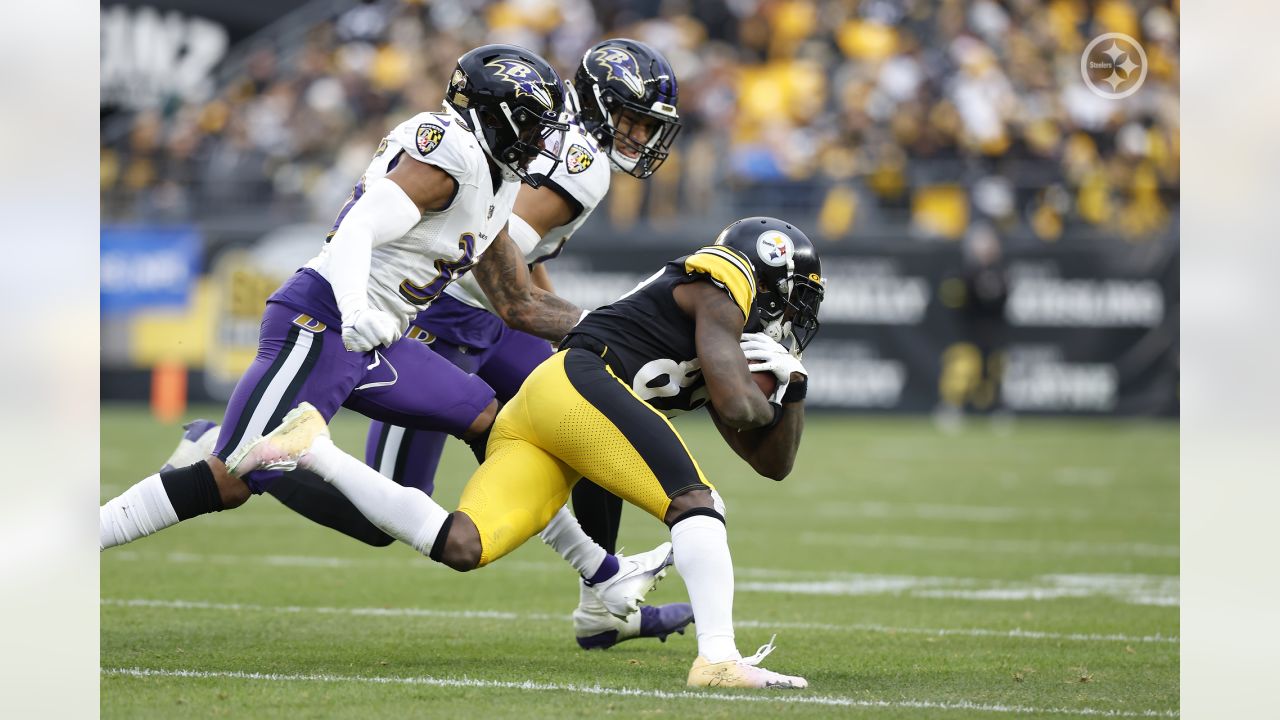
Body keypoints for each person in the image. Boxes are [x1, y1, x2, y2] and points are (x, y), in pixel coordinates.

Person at [154, 39, 693, 650]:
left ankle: (602, 588)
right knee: (387, 511)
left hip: (485, 321)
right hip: (452, 318)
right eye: (635, 121)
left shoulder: (568, 146)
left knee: (590, 407)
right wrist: (589, 322)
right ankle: (217, 447)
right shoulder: (582, 163)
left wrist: (557, 315)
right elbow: (494, 250)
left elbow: (521, 259)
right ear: (601, 106)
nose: (643, 137)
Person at [229, 216, 826, 689]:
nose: (792, 320)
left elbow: (772, 462)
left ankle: (314, 451)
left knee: (464, 544)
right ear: (768, 276)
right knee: (696, 503)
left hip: (546, 408)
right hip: (579, 380)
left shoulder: (731, 340)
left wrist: (792, 391)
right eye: (794, 300)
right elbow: (741, 407)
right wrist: (769, 388)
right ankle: (718, 659)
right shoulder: (722, 281)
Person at [99, 44, 591, 560]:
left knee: (485, 416)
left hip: (379, 341)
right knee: (232, 478)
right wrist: (356, 310)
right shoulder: (454, 153)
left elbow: (518, 301)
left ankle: (593, 566)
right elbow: (358, 226)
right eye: (533, 125)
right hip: (324, 319)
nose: (541, 142)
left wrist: (607, 326)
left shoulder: (495, 179)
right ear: (494, 118)